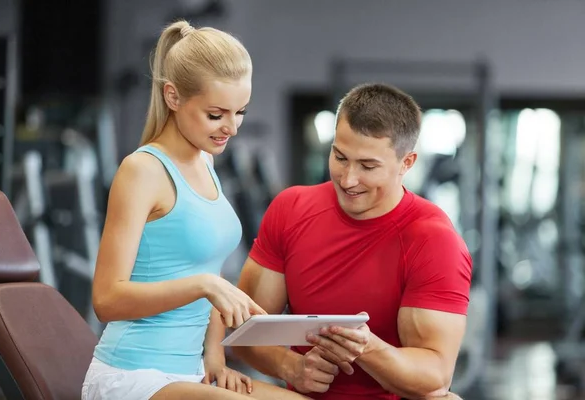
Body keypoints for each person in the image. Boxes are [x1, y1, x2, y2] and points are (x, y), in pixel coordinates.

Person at [81, 20, 310, 400]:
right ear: (173, 97)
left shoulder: (207, 162)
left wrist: (215, 355)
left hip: (191, 370)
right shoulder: (142, 170)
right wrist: (205, 286)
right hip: (133, 374)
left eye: (241, 113)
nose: (231, 128)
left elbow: (206, 268)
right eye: (216, 114)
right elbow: (106, 300)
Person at [233, 83, 472, 400]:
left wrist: (367, 348)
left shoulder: (434, 240)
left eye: (368, 166)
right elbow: (245, 333)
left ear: (407, 163)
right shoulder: (290, 209)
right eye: (340, 157)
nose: (348, 180)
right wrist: (290, 366)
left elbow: (435, 376)